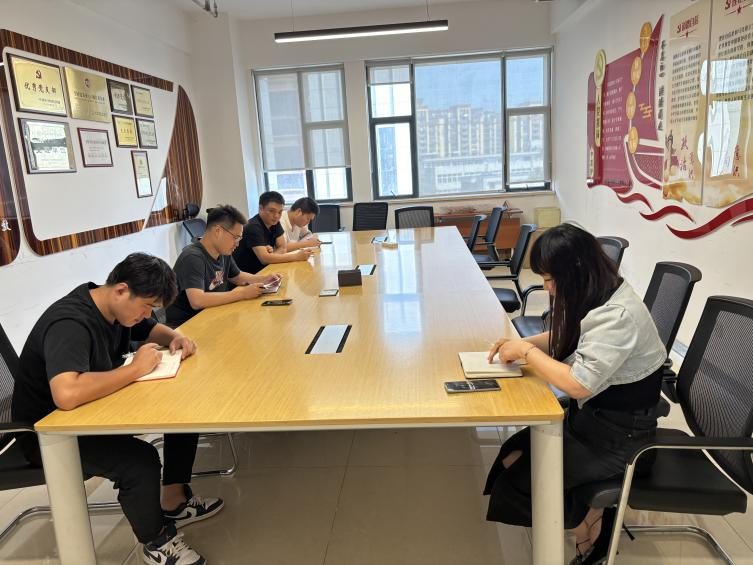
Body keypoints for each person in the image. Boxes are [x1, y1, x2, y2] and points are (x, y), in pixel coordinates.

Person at [12, 253, 221, 565]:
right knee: (139, 460)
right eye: (146, 306)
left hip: (88, 412)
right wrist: (135, 370)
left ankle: (174, 501)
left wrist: (177, 337)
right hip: (49, 433)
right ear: (122, 290)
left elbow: (152, 329)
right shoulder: (70, 323)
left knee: (183, 415)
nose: (146, 314)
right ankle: (156, 542)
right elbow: (66, 394)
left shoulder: (116, 309)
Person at [482, 224, 666, 565]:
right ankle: (589, 517)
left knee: (522, 482)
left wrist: (527, 352)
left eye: (550, 279)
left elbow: (578, 384)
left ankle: (588, 531)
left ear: (576, 270)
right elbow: (574, 335)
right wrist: (520, 344)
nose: (547, 287)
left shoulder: (618, 316)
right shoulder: (600, 291)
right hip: (592, 420)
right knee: (511, 454)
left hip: (620, 439)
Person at [166, 204, 281, 328]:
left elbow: (238, 276)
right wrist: (243, 293)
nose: (237, 244)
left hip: (213, 314)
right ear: (218, 231)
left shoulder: (223, 251)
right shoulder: (192, 257)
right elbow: (197, 301)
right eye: (236, 237)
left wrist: (265, 279)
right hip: (187, 325)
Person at [233, 191, 313, 274]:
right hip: (247, 275)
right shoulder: (253, 226)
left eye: (280, 212)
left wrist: (271, 257)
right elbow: (264, 259)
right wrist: (295, 257)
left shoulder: (274, 222)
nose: (276, 216)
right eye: (272, 211)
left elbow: (283, 247)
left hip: (265, 269)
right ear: (261, 208)